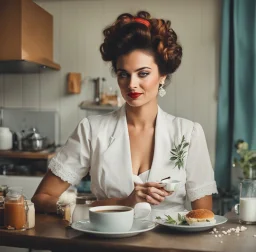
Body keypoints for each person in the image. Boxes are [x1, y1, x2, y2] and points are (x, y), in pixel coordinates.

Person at [32, 11, 218, 217]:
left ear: (162, 76)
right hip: (103, 246)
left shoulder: (188, 134)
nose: (131, 84)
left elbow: (203, 216)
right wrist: (123, 202)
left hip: (168, 247)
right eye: (123, 74)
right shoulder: (92, 130)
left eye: (143, 73)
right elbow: (42, 198)